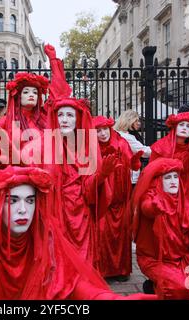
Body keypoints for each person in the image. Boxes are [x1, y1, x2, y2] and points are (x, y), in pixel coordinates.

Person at [0, 166, 156, 300]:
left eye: (30, 200)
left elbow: (74, 286)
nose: (23, 209)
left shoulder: (46, 239)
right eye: (12, 200)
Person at [44, 44, 119, 264]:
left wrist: (101, 175)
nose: (65, 119)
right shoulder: (47, 147)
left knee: (81, 263)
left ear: (78, 120)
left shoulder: (85, 148)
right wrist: (54, 62)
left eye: (70, 115)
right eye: (61, 115)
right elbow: (58, 90)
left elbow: (88, 191)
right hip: (55, 214)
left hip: (79, 214)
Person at [132, 158, 189, 299]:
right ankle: (152, 286)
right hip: (154, 259)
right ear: (158, 181)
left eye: (176, 177)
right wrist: (154, 207)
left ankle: (154, 285)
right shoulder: (151, 196)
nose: (173, 181)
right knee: (179, 288)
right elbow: (146, 208)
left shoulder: (181, 199)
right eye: (168, 177)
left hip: (181, 258)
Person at [93, 115, 141, 281]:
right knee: (102, 233)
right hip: (102, 199)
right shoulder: (91, 148)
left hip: (120, 198)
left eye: (105, 129)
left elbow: (132, 163)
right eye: (98, 131)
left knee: (121, 233)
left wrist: (135, 162)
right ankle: (104, 271)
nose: (102, 134)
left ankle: (121, 270)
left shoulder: (121, 143)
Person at [116, 110, 151, 185]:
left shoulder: (121, 133)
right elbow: (143, 151)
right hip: (130, 174)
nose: (139, 123)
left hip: (125, 173)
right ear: (129, 121)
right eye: (136, 121)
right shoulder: (126, 136)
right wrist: (160, 149)